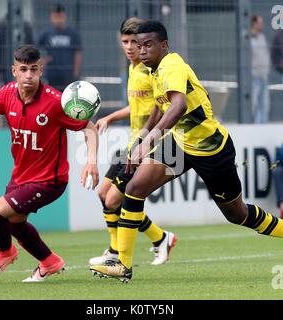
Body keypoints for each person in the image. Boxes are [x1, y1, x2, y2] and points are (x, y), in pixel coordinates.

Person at [90, 20, 283, 282]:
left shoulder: (172, 65)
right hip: (181, 143)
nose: (142, 50)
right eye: (139, 45)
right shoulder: (153, 72)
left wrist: (150, 140)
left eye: (148, 44)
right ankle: (122, 264)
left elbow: (178, 106)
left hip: (212, 149)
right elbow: (160, 107)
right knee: (135, 188)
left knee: (236, 214)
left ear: (164, 45)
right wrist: (141, 139)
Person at [0, 45, 99, 283]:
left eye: (33, 69)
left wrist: (91, 161)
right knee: (15, 225)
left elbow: (89, 127)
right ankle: (50, 262)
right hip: (21, 176)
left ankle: (5, 253)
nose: (29, 75)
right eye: (23, 69)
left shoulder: (56, 102)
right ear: (14, 71)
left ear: (41, 69)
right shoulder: (5, 94)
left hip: (49, 180)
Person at [89, 18, 177, 267]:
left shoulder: (151, 71)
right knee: (103, 194)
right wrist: (111, 116)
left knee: (115, 199)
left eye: (133, 43)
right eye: (124, 42)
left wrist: (147, 137)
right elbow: (137, 105)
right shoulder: (132, 68)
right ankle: (159, 238)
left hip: (148, 144)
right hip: (132, 144)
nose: (129, 47)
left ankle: (117, 253)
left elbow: (159, 106)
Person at [38, 3, 82, 92]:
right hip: (51, 75)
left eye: (60, 16)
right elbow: (35, 48)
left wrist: (76, 71)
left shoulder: (72, 34)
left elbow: (78, 53)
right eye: (55, 17)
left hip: (68, 75)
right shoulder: (46, 33)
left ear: (64, 16)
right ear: (51, 17)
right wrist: (43, 60)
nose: (58, 19)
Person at [250, 15, 270, 124]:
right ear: (254, 23)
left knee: (264, 104)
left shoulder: (262, 37)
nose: (261, 25)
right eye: (260, 23)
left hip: (264, 75)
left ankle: (263, 124)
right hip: (254, 76)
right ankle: (255, 124)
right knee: (254, 104)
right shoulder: (249, 39)